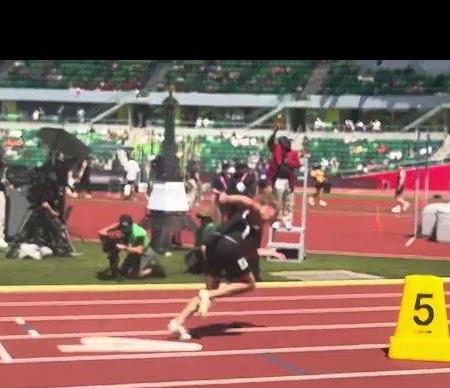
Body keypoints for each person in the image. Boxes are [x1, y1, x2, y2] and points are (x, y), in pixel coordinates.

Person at [167, 193, 285, 340]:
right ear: (265, 205)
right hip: (227, 245)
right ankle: (207, 296)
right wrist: (228, 198)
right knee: (248, 284)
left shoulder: (256, 229)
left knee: (210, 291)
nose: (272, 216)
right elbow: (246, 200)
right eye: (273, 212)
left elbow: (249, 251)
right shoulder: (255, 211)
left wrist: (267, 251)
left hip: (213, 245)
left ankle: (178, 321)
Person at [97, 214, 166, 280]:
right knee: (122, 272)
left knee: (134, 275)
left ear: (131, 224)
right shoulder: (122, 225)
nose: (124, 230)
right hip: (133, 250)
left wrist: (124, 247)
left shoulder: (139, 233)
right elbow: (102, 231)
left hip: (144, 253)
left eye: (126, 228)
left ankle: (153, 269)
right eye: (123, 227)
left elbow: (139, 250)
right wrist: (107, 231)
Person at [266, 126, 301, 229]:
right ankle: (277, 220)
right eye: (284, 145)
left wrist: (289, 162)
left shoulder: (293, 153)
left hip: (288, 181)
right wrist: (275, 131)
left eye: (287, 145)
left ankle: (287, 220)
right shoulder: (276, 150)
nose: (286, 147)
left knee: (288, 202)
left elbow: (298, 164)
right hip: (277, 180)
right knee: (277, 202)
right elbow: (270, 142)